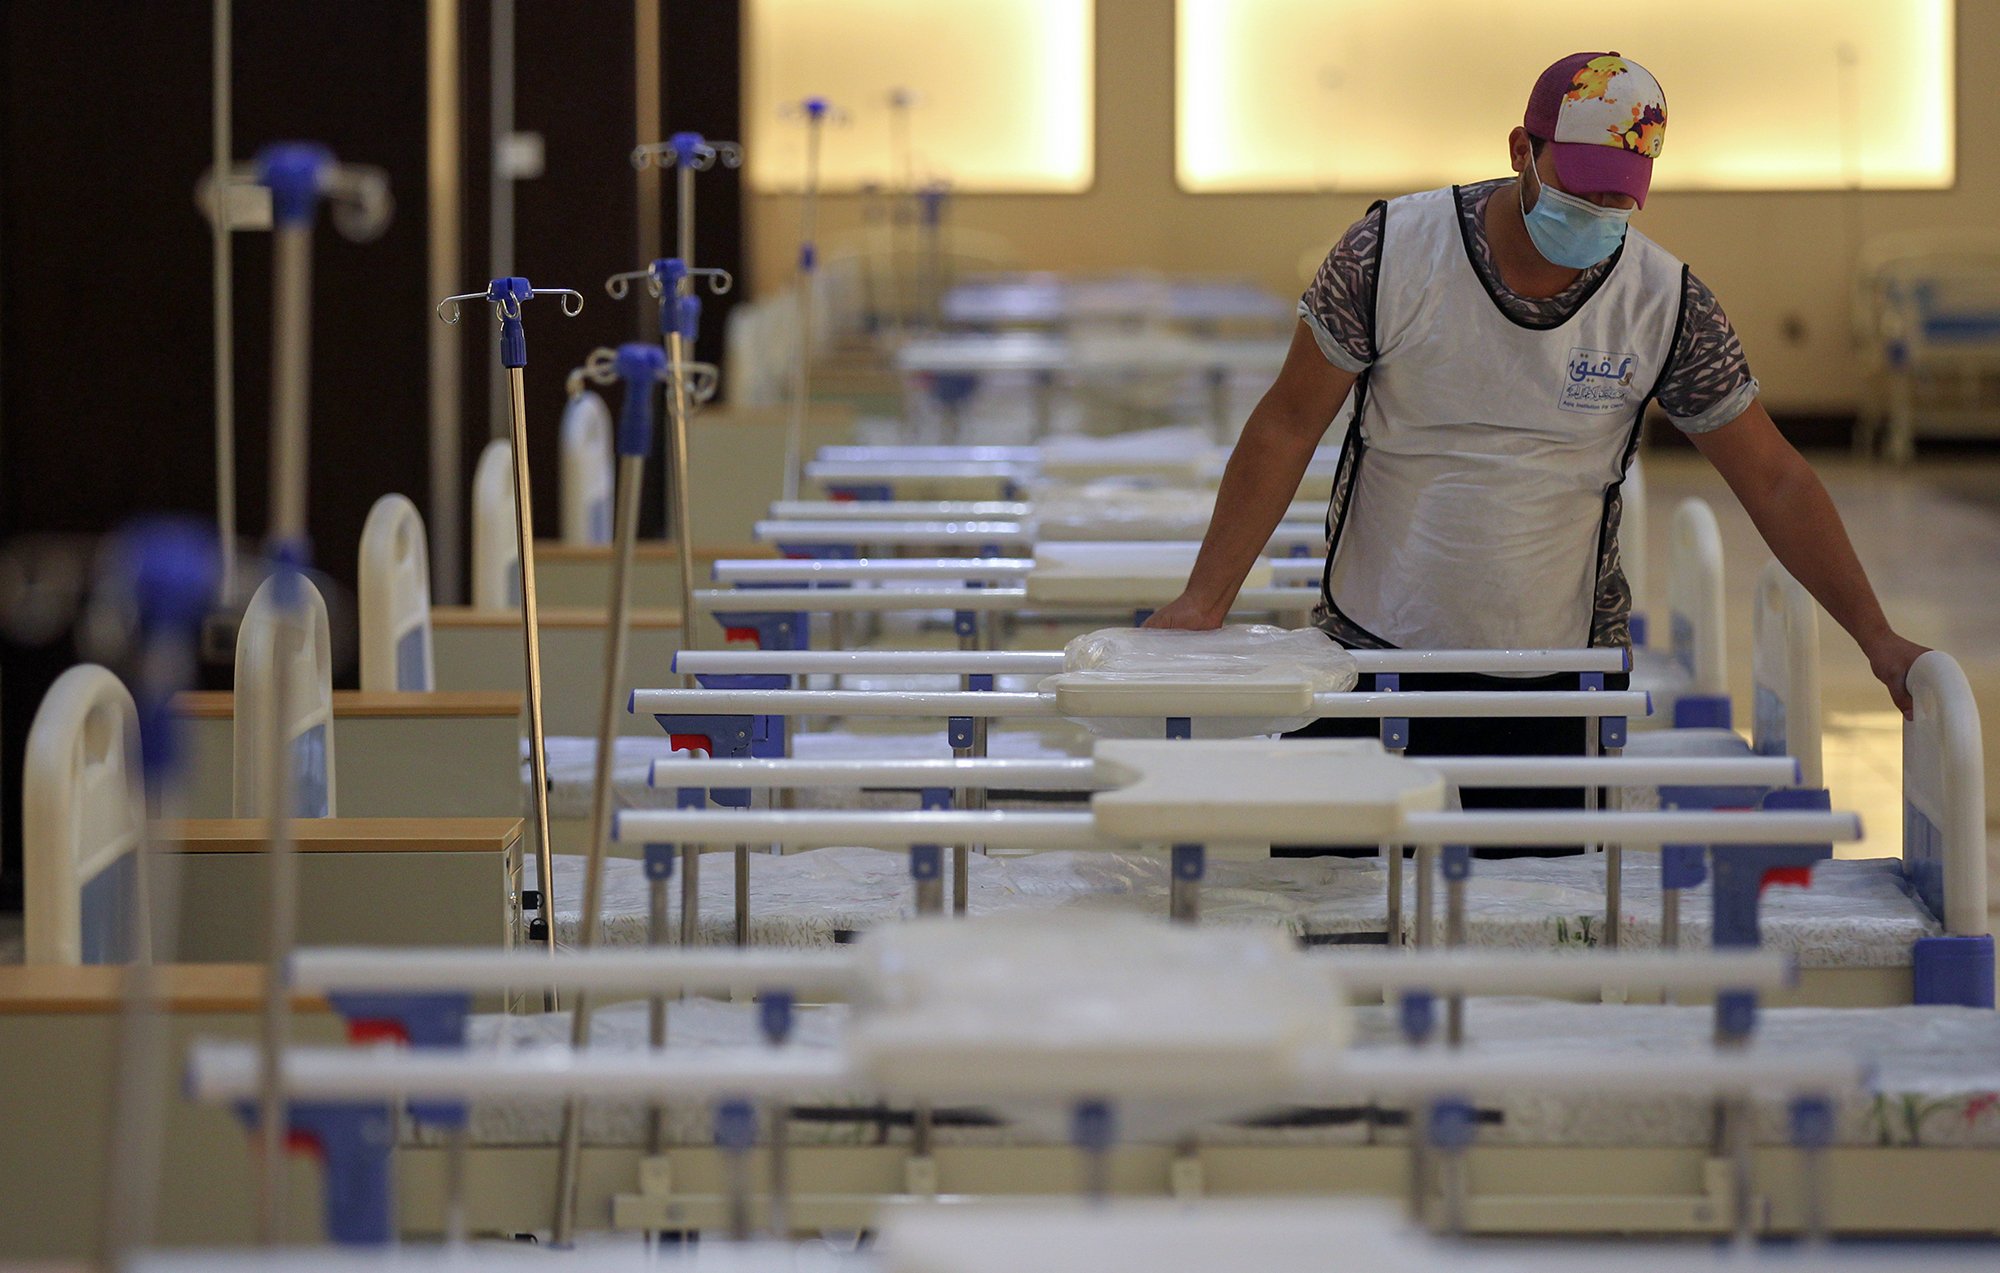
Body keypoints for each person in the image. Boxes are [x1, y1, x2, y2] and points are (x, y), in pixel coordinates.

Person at [1148, 51, 1926, 724]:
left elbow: (1776, 479)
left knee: (1544, 857)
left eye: (1620, 196)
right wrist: (1204, 600)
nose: (1599, 211)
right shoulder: (1389, 255)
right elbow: (1287, 425)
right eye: (1581, 187)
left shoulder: (1665, 304)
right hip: (1371, 650)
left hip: (1559, 668)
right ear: (1523, 148)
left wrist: (1877, 637)